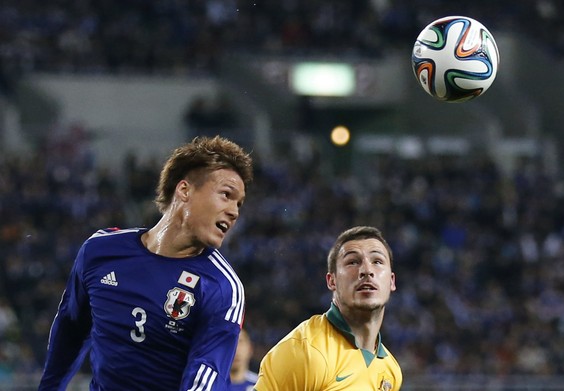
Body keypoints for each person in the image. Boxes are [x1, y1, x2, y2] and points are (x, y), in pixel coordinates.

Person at [38, 136, 254, 391]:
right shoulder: (101, 250)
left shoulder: (222, 288)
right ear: (184, 190)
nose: (234, 211)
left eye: (239, 203)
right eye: (226, 195)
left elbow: (205, 379)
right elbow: (71, 328)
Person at [254, 226, 402, 391]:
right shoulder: (306, 351)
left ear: (391, 281)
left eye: (377, 261)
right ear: (332, 281)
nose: (367, 270)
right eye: (352, 262)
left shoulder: (391, 370)